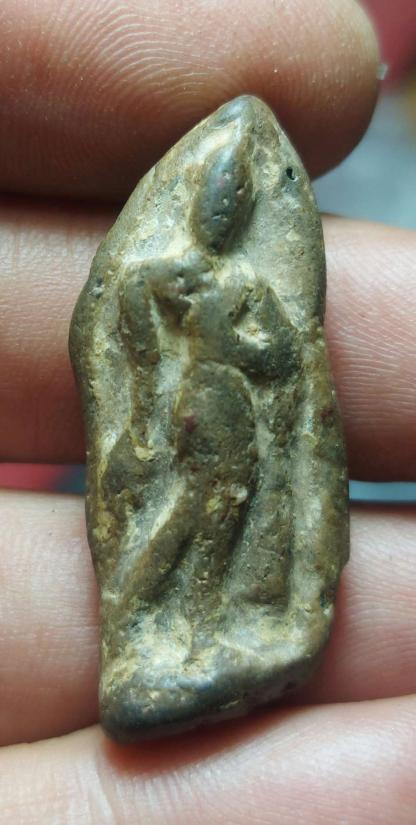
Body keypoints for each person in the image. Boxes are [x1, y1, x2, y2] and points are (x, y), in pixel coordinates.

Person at [0, 0, 415, 821]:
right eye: (218, 202)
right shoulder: (174, 278)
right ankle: (162, 632)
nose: (223, 213)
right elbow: (117, 332)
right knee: (201, 515)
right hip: (206, 413)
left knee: (218, 517)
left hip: (235, 416)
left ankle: (180, 633)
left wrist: (270, 370)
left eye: (233, 202)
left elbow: (271, 354)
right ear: (201, 209)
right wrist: (147, 414)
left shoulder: (233, 280)